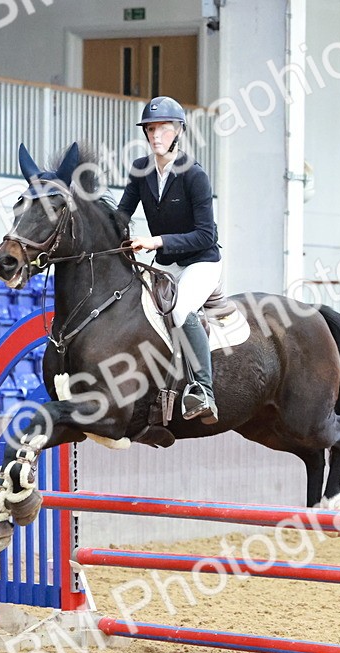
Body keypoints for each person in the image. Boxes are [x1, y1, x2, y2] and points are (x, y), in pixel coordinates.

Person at [117, 95, 221, 424]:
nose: (156, 135)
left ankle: (203, 390)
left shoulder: (194, 175)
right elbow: (122, 215)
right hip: (166, 261)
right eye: (150, 129)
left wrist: (154, 241)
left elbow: (207, 235)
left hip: (201, 261)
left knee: (179, 309)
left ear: (178, 131)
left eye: (163, 128)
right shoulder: (140, 170)